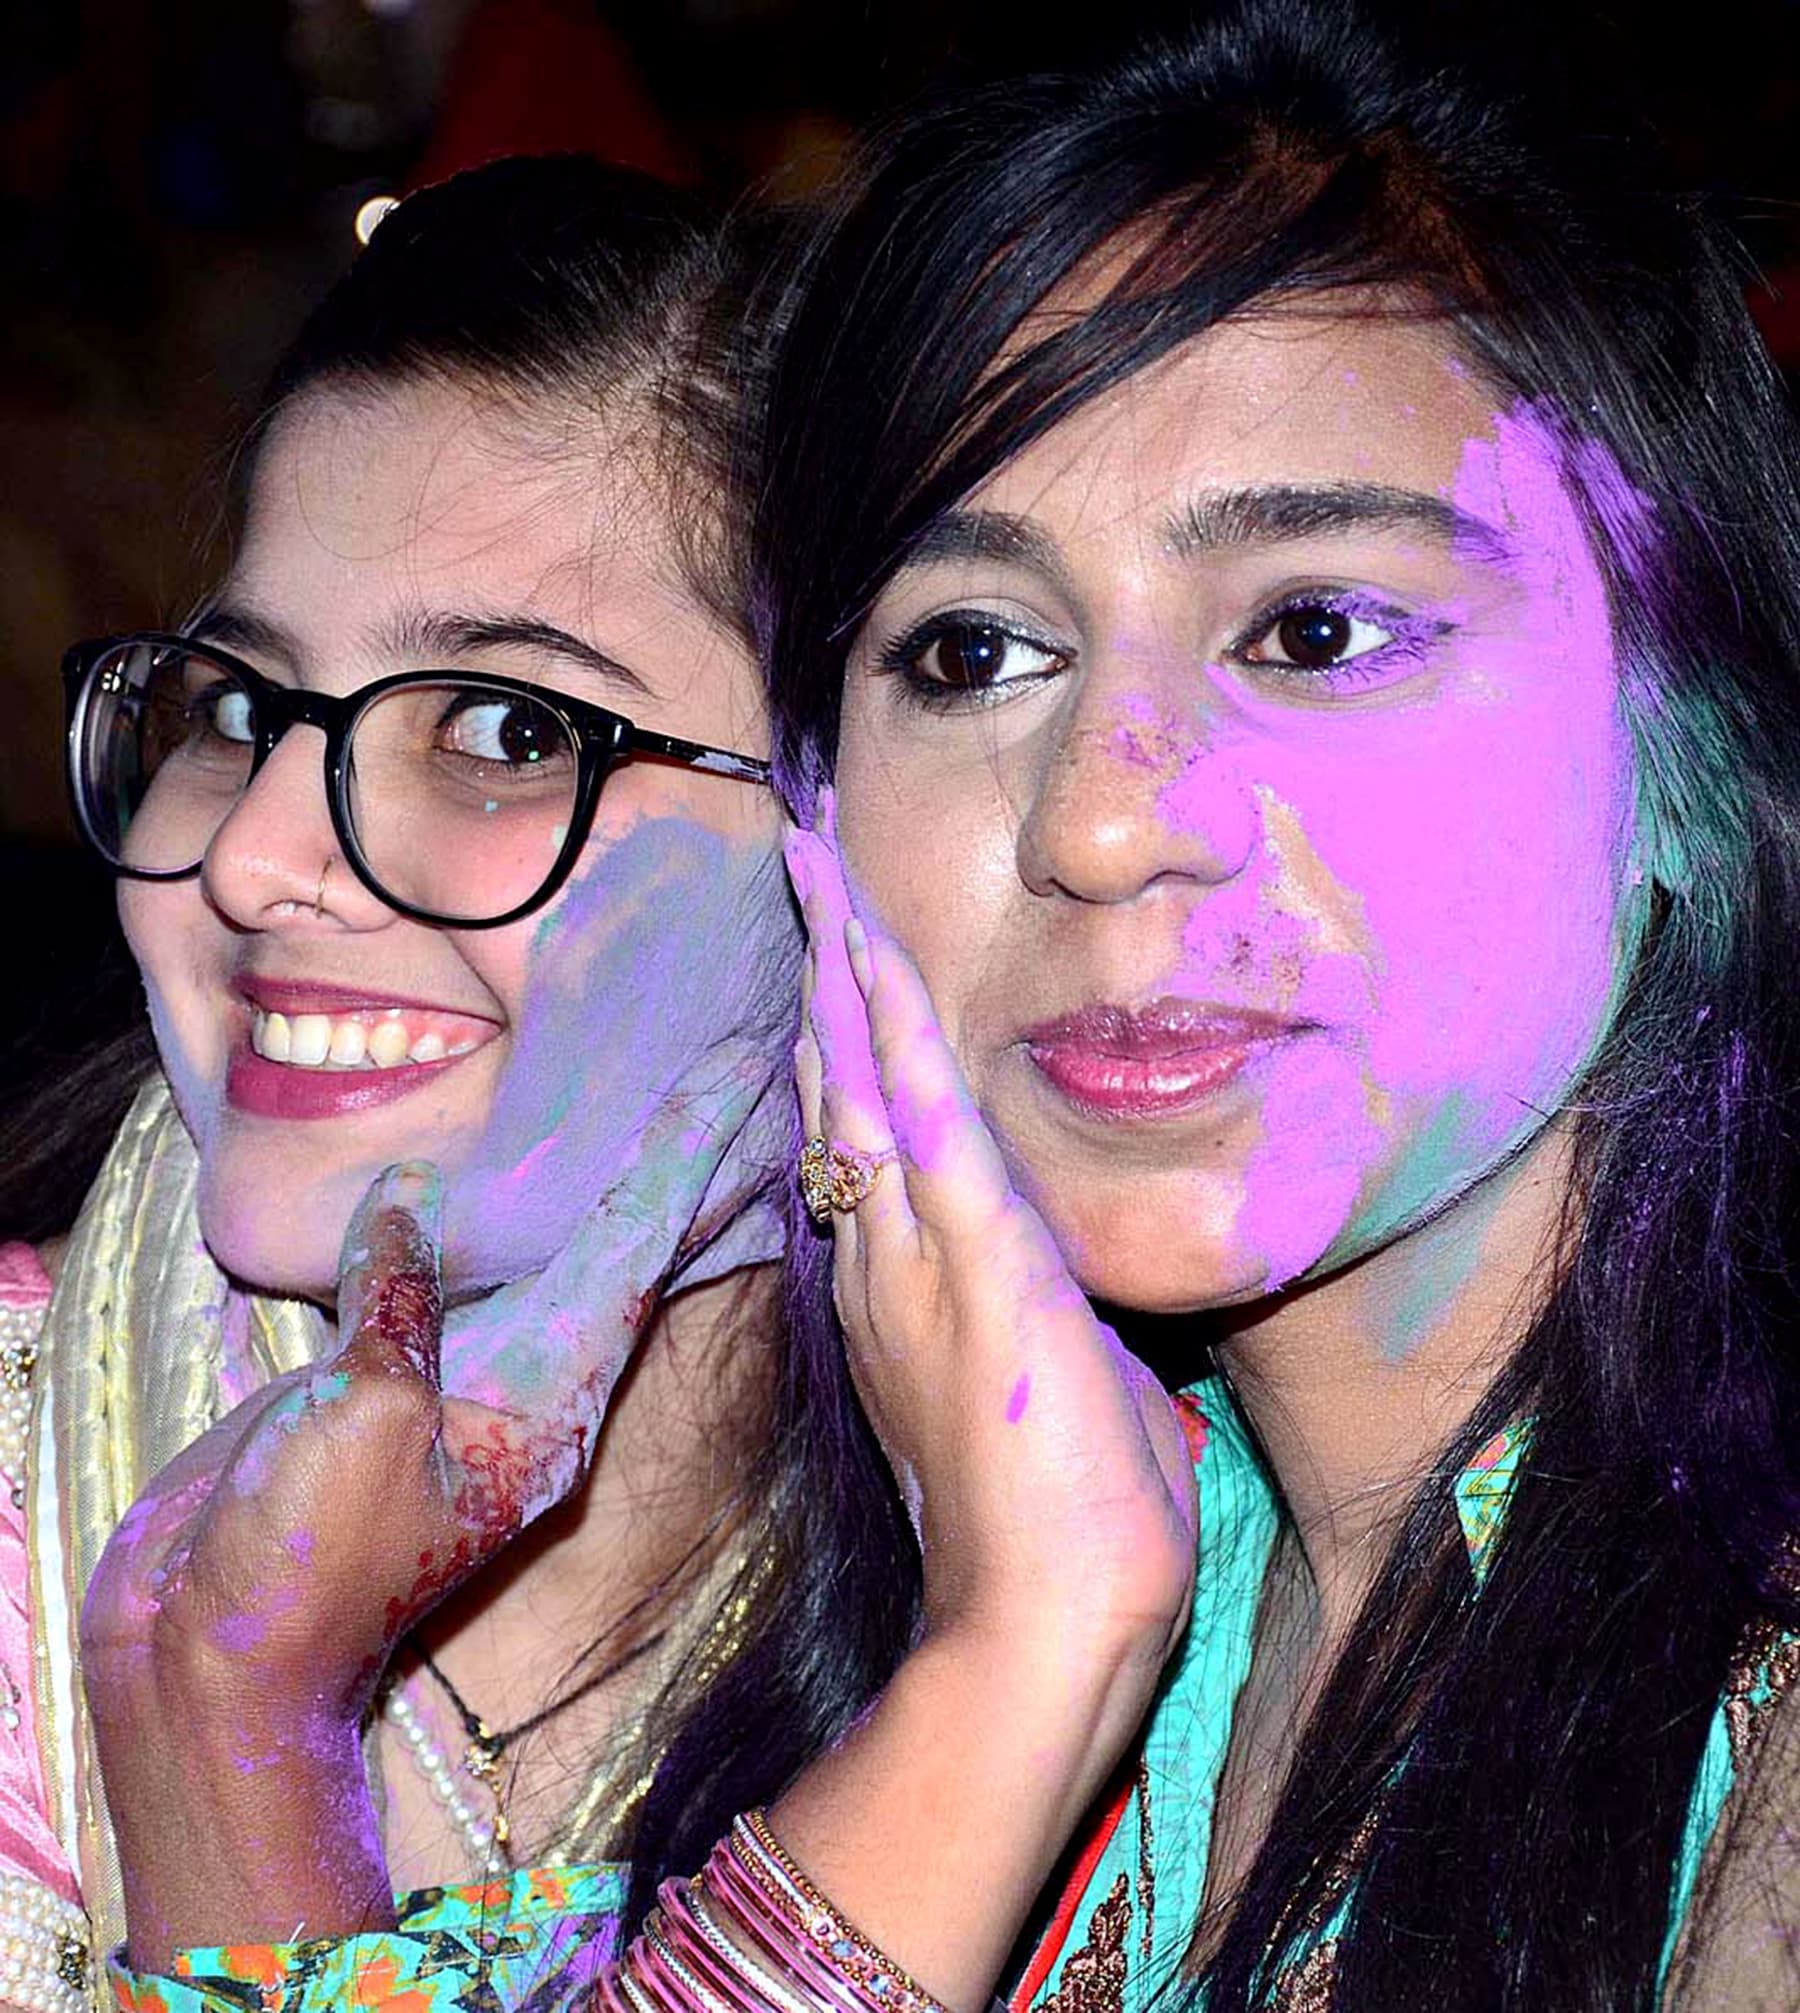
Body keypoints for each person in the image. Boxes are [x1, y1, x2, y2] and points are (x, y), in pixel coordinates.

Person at [83, 4, 1800, 2010]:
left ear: (1683, 745)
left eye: (1313, 628)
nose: (1100, 816)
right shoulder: (980, 1598)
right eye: (973, 650)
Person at [0, 155, 921, 2012]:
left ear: (876, 833)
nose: (257, 853)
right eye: (245, 709)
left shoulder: (1110, 1615)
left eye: (508, 730)